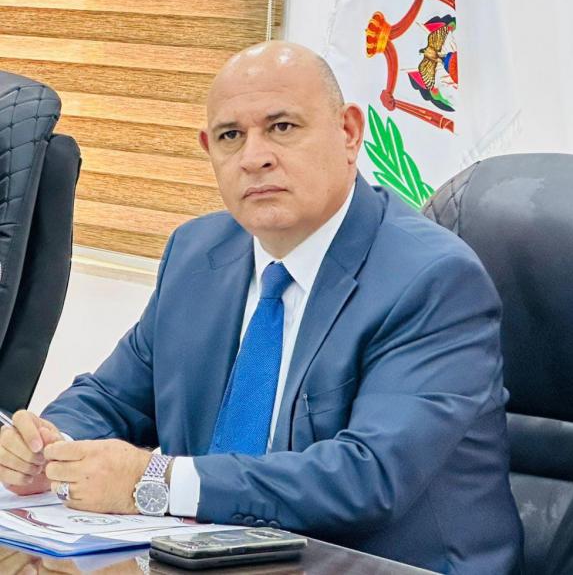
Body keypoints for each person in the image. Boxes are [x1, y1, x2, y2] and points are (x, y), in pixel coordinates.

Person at [0, 42, 522, 573]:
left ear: (348, 132)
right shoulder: (196, 252)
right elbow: (114, 397)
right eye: (231, 136)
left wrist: (154, 481)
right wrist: (46, 446)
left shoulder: (432, 278)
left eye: (282, 127)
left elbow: (367, 476)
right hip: (217, 559)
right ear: (209, 150)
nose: (254, 157)